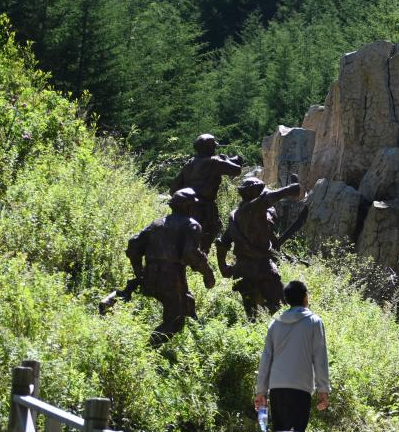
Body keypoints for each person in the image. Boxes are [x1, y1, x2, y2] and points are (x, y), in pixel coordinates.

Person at [120, 188, 216, 345]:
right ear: (188, 207)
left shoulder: (156, 224)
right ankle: (147, 350)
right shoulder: (191, 225)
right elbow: (190, 254)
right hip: (172, 279)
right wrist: (208, 273)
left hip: (151, 274)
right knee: (174, 321)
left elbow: (133, 246)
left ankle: (197, 341)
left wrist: (140, 272)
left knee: (187, 302)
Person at [216, 177, 301, 319]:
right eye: (260, 190)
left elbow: (222, 244)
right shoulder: (254, 207)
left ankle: (259, 330)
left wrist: (223, 267)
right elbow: (267, 199)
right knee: (279, 308)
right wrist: (289, 190)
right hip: (263, 268)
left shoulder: (236, 216)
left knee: (253, 315)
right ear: (254, 192)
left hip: (243, 268)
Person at [254, 280, 330, 432]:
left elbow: (266, 359)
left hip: (277, 389)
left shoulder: (275, 324)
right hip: (301, 388)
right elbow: (320, 358)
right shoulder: (314, 322)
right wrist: (323, 389)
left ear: (287, 299)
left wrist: (261, 391)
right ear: (305, 297)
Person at [169, 134, 243, 253]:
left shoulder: (190, 163)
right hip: (205, 208)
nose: (215, 149)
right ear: (209, 148)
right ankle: (200, 258)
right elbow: (236, 170)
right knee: (206, 236)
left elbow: (173, 189)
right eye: (213, 146)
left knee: (187, 237)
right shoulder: (214, 162)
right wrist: (226, 159)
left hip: (186, 206)